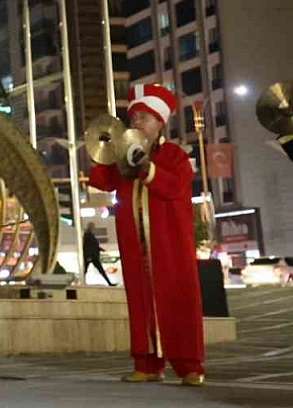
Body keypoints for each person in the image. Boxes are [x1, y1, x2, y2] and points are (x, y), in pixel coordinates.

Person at [88, 84, 205, 387]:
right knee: (140, 303)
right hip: (135, 246)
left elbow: (174, 187)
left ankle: (190, 365)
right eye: (134, 117)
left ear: (160, 122)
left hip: (170, 246)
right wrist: (104, 151)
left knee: (179, 301)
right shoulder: (123, 155)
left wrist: (147, 167)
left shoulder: (175, 155)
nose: (137, 122)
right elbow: (101, 180)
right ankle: (147, 363)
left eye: (144, 117)